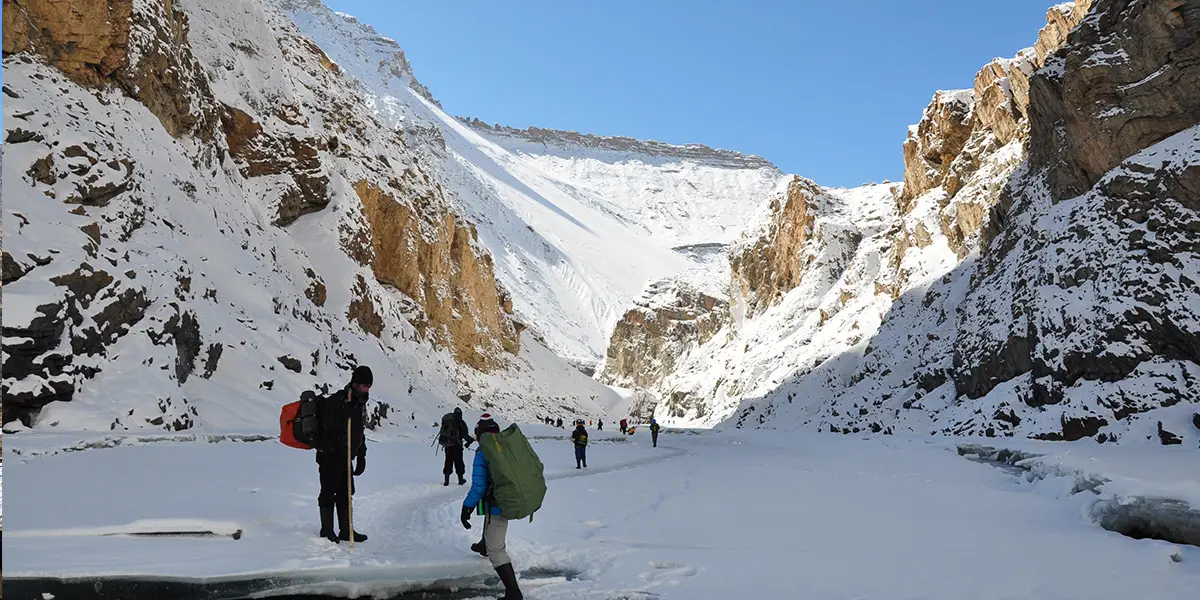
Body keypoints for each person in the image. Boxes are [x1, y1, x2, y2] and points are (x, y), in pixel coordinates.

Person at [461, 413, 523, 599]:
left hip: (499, 504)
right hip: (509, 499)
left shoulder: (483, 452)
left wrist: (466, 507)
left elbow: (479, 486)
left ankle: (513, 592)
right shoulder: (504, 447)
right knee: (491, 525)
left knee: (496, 550)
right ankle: (483, 545)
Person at [314, 365, 371, 544]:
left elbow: (359, 432)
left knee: (346, 493)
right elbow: (327, 425)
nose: (367, 390)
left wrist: (361, 455)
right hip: (330, 455)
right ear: (355, 383)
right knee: (329, 491)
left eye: (369, 386)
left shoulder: (360, 405)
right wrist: (341, 413)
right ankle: (327, 530)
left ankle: (346, 530)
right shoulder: (338, 400)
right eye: (364, 386)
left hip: (346, 457)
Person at [439, 408, 475, 485]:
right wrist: (469, 440)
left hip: (448, 445)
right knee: (458, 462)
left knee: (448, 461)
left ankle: (446, 480)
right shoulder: (461, 423)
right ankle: (460, 479)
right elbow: (465, 435)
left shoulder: (448, 422)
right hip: (457, 446)